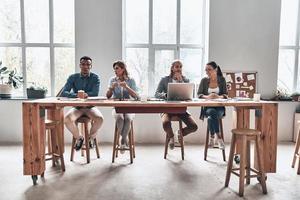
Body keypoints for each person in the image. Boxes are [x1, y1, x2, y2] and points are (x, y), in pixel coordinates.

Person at [62, 56, 104, 151]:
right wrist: (76, 95)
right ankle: (80, 138)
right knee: (67, 119)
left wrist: (86, 95)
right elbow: (64, 92)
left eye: (88, 64)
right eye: (83, 64)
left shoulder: (95, 77)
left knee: (100, 119)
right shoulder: (73, 77)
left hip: (90, 107)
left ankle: (90, 138)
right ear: (80, 65)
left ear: (91, 66)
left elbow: (95, 93)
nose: (85, 66)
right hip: (77, 107)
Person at [155, 60, 198, 149]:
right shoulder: (164, 80)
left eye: (180, 67)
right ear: (172, 68)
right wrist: (166, 95)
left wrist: (181, 81)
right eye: (177, 67)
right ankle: (171, 137)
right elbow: (156, 94)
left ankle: (179, 133)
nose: (179, 69)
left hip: (181, 109)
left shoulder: (186, 80)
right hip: (167, 109)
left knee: (193, 127)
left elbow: (191, 96)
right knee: (165, 123)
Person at [106, 61, 138, 153]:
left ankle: (122, 140)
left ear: (123, 69)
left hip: (129, 107)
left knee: (127, 119)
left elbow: (136, 96)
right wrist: (111, 88)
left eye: (117, 68)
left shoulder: (131, 80)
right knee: (120, 119)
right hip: (117, 107)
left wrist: (127, 87)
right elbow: (108, 96)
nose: (115, 71)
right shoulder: (112, 80)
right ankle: (124, 140)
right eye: (114, 69)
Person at [197, 61, 228, 149]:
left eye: (209, 69)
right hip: (208, 108)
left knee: (211, 116)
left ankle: (212, 137)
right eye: (206, 70)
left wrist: (218, 96)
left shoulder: (222, 80)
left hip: (220, 108)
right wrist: (208, 97)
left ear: (216, 70)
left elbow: (226, 94)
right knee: (212, 112)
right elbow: (199, 94)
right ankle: (219, 137)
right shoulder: (204, 80)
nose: (207, 72)